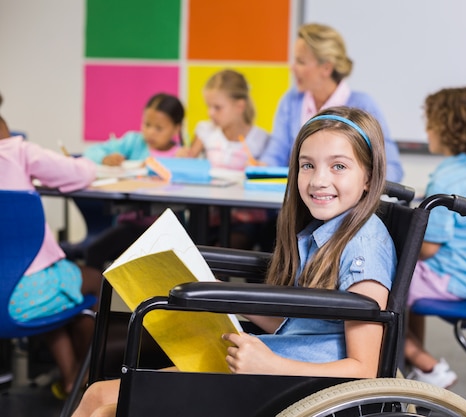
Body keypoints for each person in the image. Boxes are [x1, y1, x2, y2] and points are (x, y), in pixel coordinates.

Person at [71, 105, 397, 417]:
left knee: (107, 406)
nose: (318, 180)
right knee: (97, 394)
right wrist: (221, 295)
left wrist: (273, 366)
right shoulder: (325, 231)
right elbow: (299, 324)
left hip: (290, 381)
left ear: (368, 176)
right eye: (307, 165)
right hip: (271, 362)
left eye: (338, 166)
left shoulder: (364, 247)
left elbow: (365, 369)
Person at [0, 93, 102, 399]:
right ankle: (84, 379)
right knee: (97, 281)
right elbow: (82, 174)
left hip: (19, 293)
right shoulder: (18, 152)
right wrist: (84, 161)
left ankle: (69, 376)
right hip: (22, 297)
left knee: (51, 283)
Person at [403, 87, 466, 388]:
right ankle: (412, 362)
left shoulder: (445, 179)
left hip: (449, 278)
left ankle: (428, 367)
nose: (426, 129)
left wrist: (396, 236)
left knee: (376, 289)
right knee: (405, 284)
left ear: (445, 127)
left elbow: (428, 248)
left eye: (430, 121)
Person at [260, 22, 404, 183]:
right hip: (297, 202)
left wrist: (358, 184)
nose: (292, 68)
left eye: (300, 61)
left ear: (326, 68)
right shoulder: (291, 101)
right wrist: (261, 168)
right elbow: (275, 155)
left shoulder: (363, 105)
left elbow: (392, 169)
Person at [82, 93, 184, 271]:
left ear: (176, 129)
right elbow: (91, 152)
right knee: (94, 252)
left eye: (159, 128)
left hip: (163, 230)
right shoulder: (133, 142)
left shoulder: (181, 155)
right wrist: (105, 158)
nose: (150, 132)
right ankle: (98, 297)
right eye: (147, 125)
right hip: (131, 225)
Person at [177, 69, 270, 249]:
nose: (210, 113)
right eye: (208, 106)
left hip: (246, 221)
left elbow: (267, 175)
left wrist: (259, 168)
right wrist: (182, 156)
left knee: (218, 256)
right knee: (192, 254)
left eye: (217, 107)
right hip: (208, 218)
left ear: (239, 106)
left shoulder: (260, 139)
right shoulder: (205, 131)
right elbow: (189, 161)